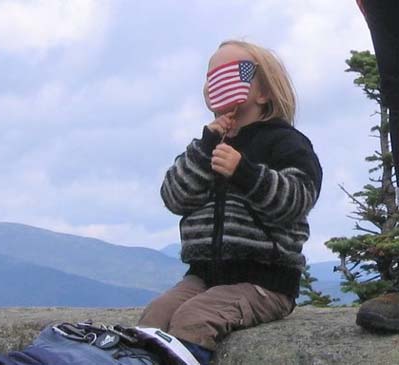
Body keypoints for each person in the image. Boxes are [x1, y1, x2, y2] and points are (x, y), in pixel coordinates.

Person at [138, 40, 323, 364]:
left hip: (265, 280)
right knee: (155, 317)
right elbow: (174, 196)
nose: (217, 84)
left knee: (194, 320)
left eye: (236, 74)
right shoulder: (207, 146)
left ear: (264, 92)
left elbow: (297, 198)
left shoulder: (286, 143)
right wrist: (205, 147)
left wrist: (246, 174)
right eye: (212, 77)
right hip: (204, 275)